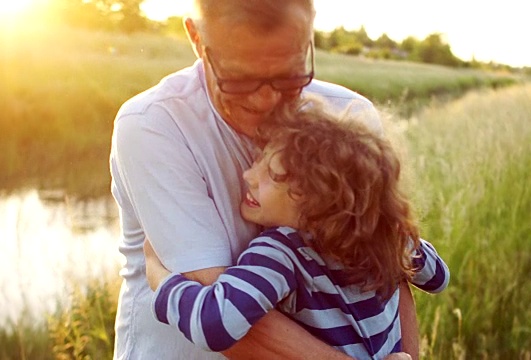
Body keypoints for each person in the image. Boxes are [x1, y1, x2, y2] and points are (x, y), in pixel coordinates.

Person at [109, 0, 419, 359]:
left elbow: (390, 272)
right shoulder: (153, 125)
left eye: (289, 76)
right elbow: (236, 327)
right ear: (196, 38)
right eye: (239, 80)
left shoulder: (350, 121)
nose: (265, 99)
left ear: (309, 34)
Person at [143, 101, 450, 359]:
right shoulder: (382, 241)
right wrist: (397, 235)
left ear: (318, 199)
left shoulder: (280, 253)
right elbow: (439, 278)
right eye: (259, 159)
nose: (249, 176)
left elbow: (215, 324)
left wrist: (160, 279)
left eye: (273, 175)